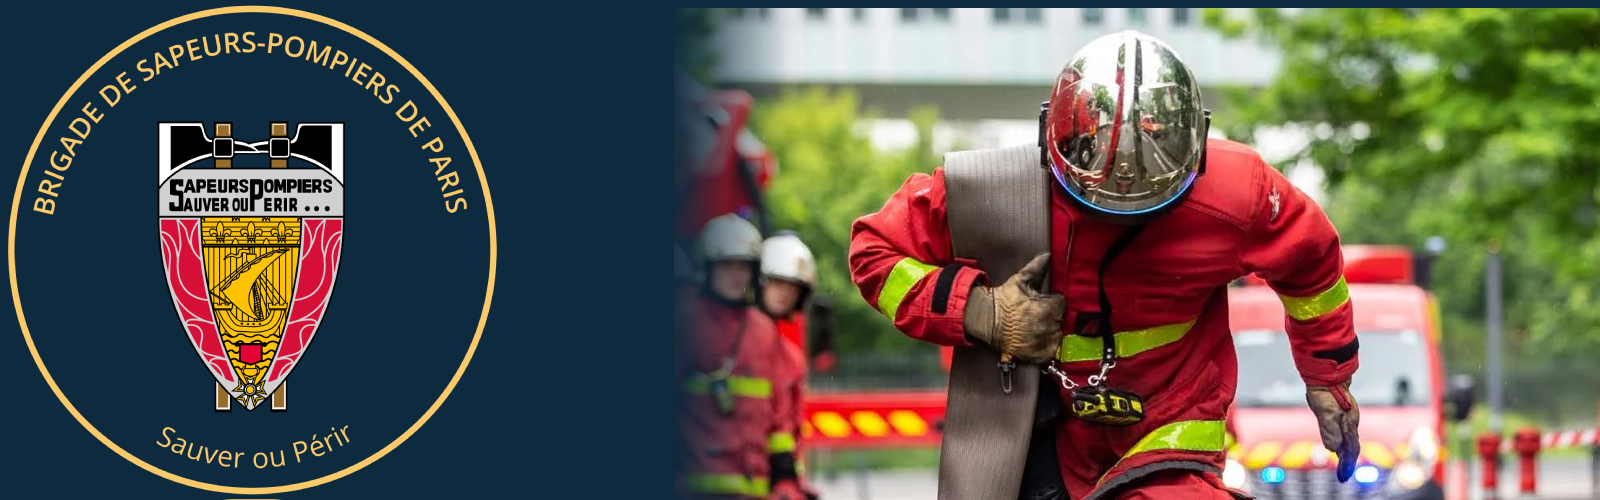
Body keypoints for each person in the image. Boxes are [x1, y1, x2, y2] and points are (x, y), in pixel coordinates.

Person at [846, 30, 1361, 500]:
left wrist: (1326, 379)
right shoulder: (998, 195)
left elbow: (1312, 266)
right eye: (1100, 195)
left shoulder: (1241, 195)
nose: (1120, 197)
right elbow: (874, 253)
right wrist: (982, 313)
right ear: (1051, 136)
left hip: (1170, 433)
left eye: (1144, 193)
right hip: (1039, 431)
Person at [678, 214, 805, 500]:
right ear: (708, 268)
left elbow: (779, 416)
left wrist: (785, 479)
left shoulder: (763, 330)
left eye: (743, 266)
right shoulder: (685, 324)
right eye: (726, 265)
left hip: (755, 491)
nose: (736, 275)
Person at [759, 231, 823, 500]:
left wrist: (792, 483)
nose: (785, 292)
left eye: (794, 286)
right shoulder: (720, 342)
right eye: (778, 282)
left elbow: (788, 429)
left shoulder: (791, 358)